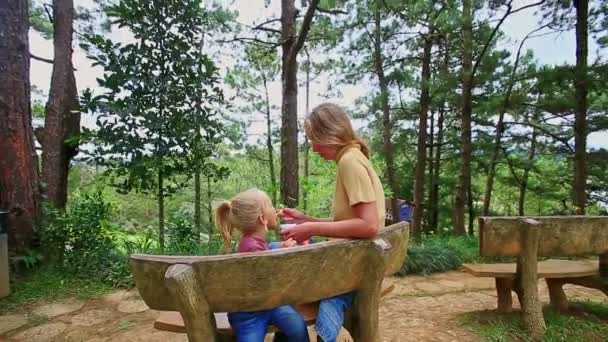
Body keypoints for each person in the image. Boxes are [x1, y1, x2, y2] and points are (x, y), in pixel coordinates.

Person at [279, 102, 385, 342]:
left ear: (330, 134)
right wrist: (306, 219)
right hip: (352, 260)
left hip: (351, 268)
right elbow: (350, 222)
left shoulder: (350, 162)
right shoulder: (352, 158)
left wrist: (311, 229)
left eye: (313, 139)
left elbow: (368, 226)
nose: (313, 147)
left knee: (283, 288)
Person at [215, 189, 308, 342]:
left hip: (270, 303)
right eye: (270, 205)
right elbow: (268, 275)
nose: (274, 209)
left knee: (297, 326)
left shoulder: (254, 242)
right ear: (262, 219)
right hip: (248, 312)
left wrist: (282, 246)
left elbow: (268, 247)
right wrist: (286, 255)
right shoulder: (251, 247)